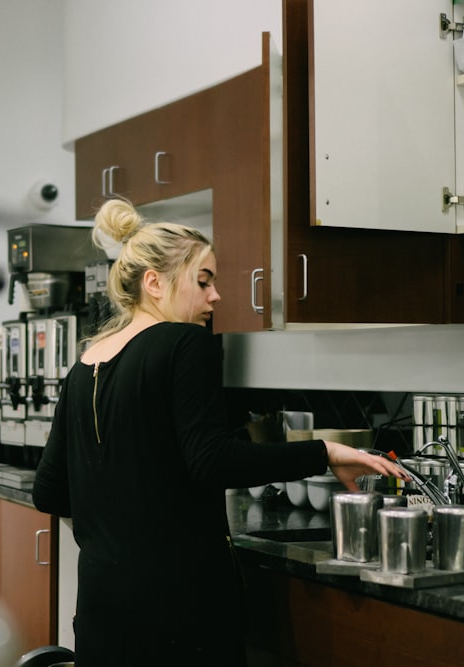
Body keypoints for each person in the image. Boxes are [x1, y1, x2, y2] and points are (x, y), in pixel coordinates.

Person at [31, 198, 408, 667]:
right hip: (179, 612)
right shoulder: (185, 343)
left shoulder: (86, 361)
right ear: (154, 283)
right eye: (203, 281)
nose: (216, 297)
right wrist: (326, 451)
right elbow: (212, 461)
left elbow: (49, 490)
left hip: (102, 608)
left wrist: (118, 530)